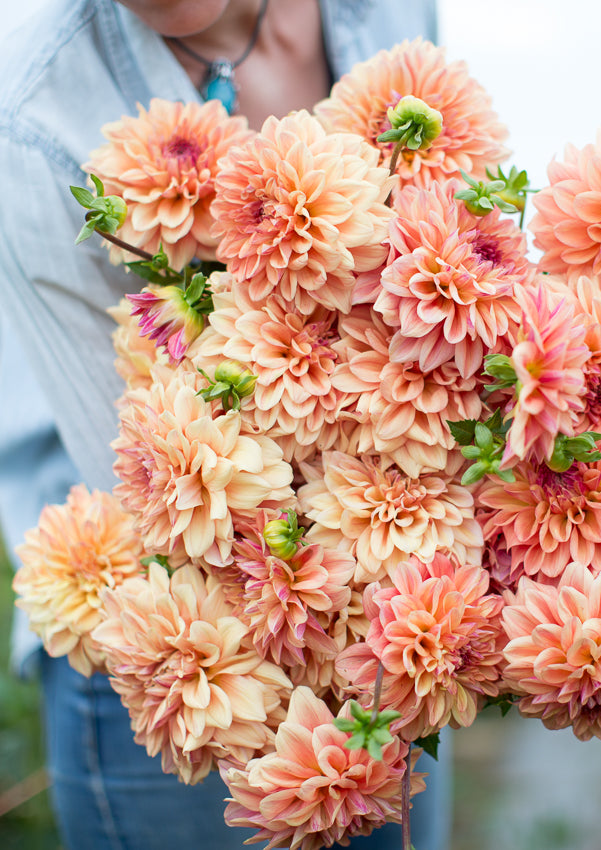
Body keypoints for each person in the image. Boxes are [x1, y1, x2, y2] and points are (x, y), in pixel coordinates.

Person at [0, 1, 451, 848]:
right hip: (179, 655)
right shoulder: (31, 121)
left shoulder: (390, 15)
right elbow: (154, 496)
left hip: (400, 620)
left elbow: (444, 237)